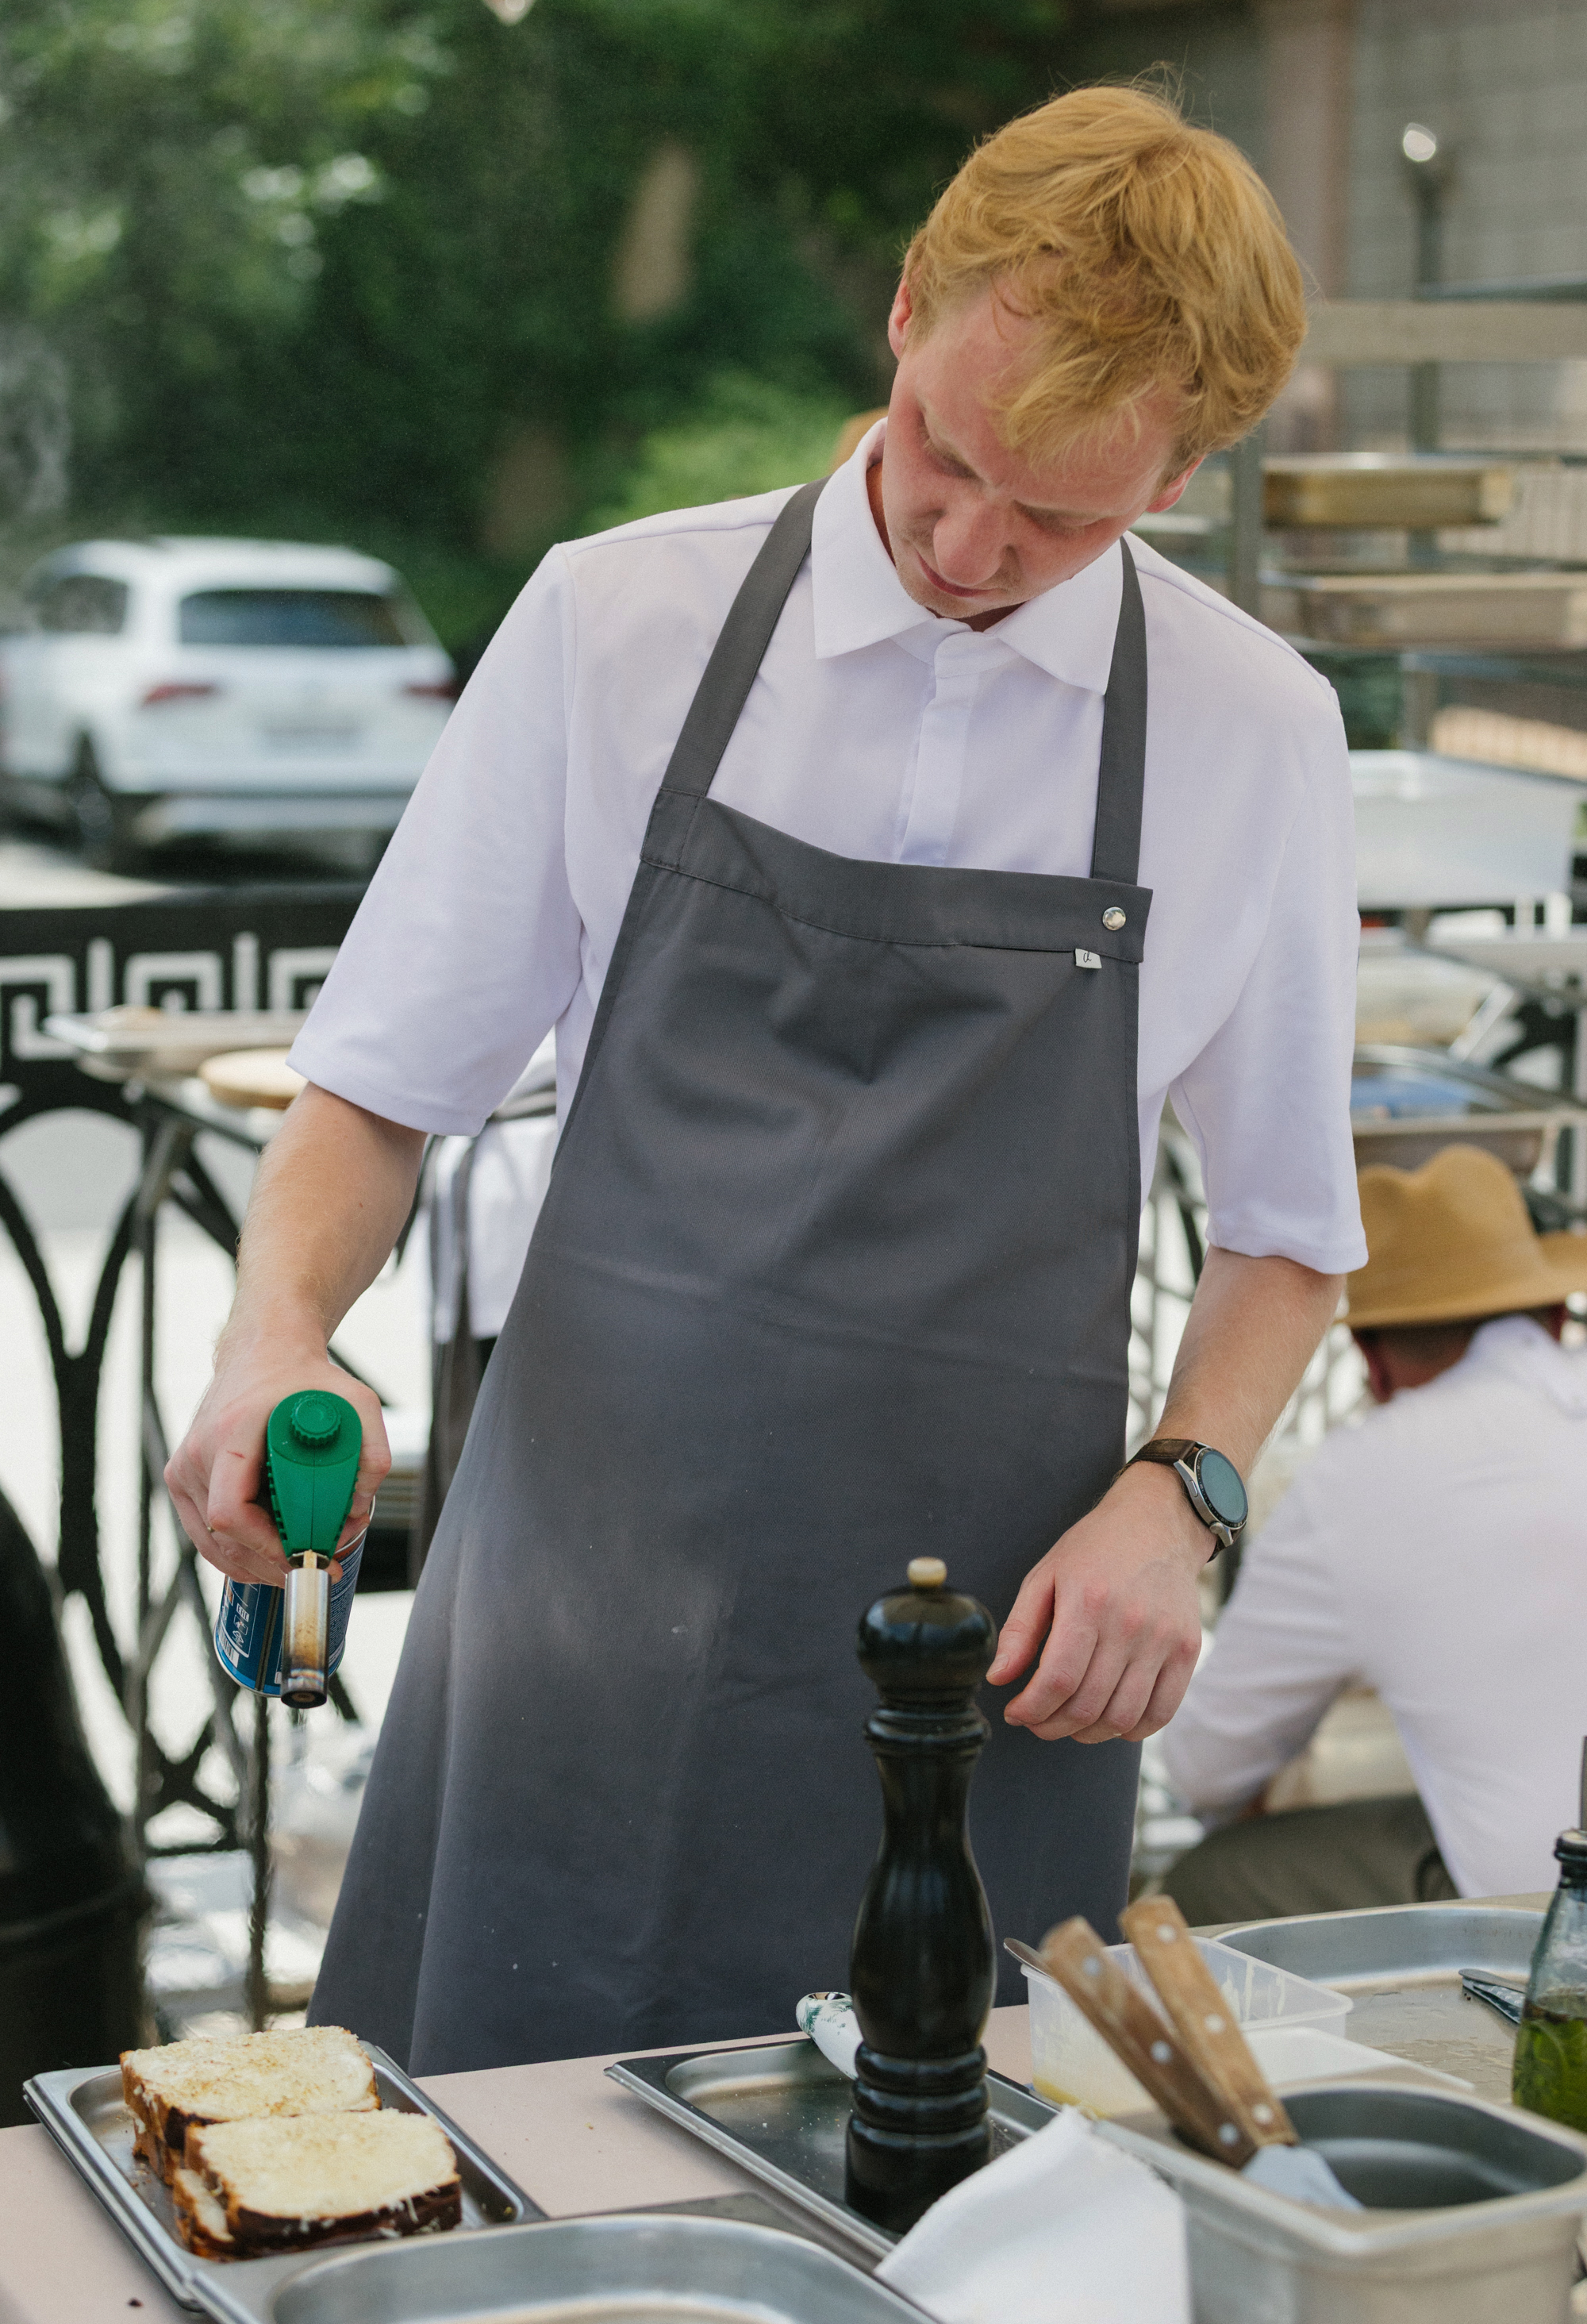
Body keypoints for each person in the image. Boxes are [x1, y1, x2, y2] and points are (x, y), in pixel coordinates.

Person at [166, 84, 1365, 2075]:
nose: (968, 544)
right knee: (483, 2182)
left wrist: (1184, 1494)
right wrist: (273, 1333)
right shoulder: (614, 619)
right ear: (903, 310)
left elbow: (1287, 1239)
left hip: (982, 1677)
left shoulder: (1254, 733)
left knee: (929, 2202)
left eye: (1060, 516)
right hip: (567, 1635)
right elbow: (376, 1091)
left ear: (1180, 473)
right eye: (946, 455)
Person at [1159, 1144, 1587, 1923]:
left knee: (1214, 1877)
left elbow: (1202, 1768)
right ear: (1555, 1317)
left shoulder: (1361, 1473)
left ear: (1371, 1360)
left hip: (1555, 1914)